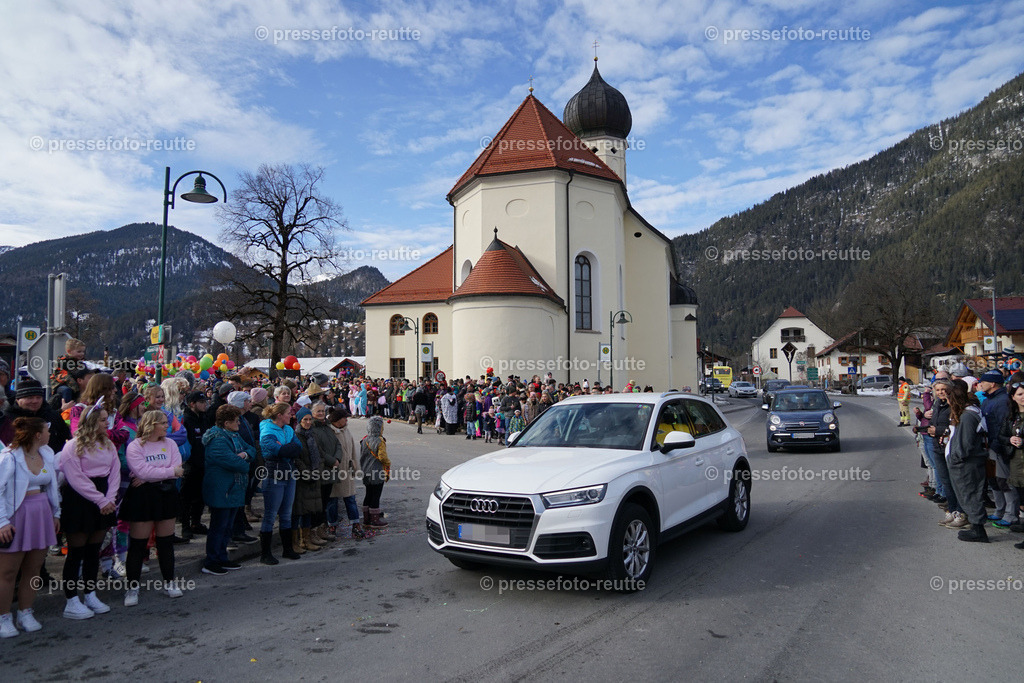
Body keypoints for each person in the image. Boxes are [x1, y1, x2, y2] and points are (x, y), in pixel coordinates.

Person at [58, 398, 120, 620]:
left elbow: (114, 472)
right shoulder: (73, 446)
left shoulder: (108, 444)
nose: (107, 423)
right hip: (80, 500)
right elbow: (75, 478)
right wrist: (100, 500)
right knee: (76, 552)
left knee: (94, 550)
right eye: (103, 420)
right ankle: (71, 600)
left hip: (104, 497)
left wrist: (109, 498)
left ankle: (90, 593)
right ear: (92, 421)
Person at [0, 418, 61, 638]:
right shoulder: (8, 458)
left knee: (34, 569)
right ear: (37, 435)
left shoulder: (47, 454)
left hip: (41, 514)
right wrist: (2, 522)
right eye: (46, 431)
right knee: (7, 572)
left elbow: (53, 486)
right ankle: (3, 616)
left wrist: (56, 513)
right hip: (16, 517)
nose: (49, 434)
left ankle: (26, 612)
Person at [120, 410, 186, 606]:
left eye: (167, 422)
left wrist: (156, 474)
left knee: (165, 542)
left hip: (166, 494)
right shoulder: (135, 446)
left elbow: (178, 470)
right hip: (143, 497)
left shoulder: (171, 444)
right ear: (151, 425)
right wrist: (166, 472)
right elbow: (142, 471)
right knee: (138, 545)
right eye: (163, 423)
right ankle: (132, 588)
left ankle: (169, 582)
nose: (167, 426)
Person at [200, 405, 254, 575]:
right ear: (226, 422)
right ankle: (212, 561)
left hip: (233, 488)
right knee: (219, 526)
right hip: (222, 488)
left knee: (227, 526)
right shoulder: (217, 439)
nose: (239, 423)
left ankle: (222, 558)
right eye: (236, 421)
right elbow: (234, 463)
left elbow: (251, 449)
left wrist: (244, 455)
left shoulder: (233, 434)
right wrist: (244, 460)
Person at [945, 380, 990, 543]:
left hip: (967, 464)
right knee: (969, 494)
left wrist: (955, 458)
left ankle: (979, 530)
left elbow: (964, 445)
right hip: (967, 462)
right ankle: (976, 527)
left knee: (970, 493)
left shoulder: (968, 416)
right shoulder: (968, 412)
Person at [258, 402, 301, 563]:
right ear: (279, 415)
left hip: (289, 472)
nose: (292, 415)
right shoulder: (267, 430)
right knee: (270, 514)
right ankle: (265, 553)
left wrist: (287, 449)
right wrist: (288, 449)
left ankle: (287, 549)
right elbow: (279, 450)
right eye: (289, 413)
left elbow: (298, 448)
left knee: (286, 514)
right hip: (274, 473)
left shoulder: (288, 429)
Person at [976, 370, 1016, 529]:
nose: (980, 384)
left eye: (983, 381)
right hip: (989, 446)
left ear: (992, 384)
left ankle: (1010, 514)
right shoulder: (988, 399)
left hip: (997, 447)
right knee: (993, 480)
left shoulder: (1002, 401)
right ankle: (1000, 510)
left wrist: (998, 447)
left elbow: (1002, 426)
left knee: (1004, 481)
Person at [1, 379, 73, 454]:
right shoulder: (7, 419)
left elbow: (65, 438)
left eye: (38, 397)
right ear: (18, 399)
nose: (35, 401)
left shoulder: (53, 416)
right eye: (30, 398)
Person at [328, 407, 364, 539]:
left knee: (350, 499)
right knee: (332, 501)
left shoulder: (346, 430)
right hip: (334, 471)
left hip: (347, 471)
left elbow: (353, 450)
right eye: (344, 418)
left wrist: (355, 466)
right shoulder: (330, 432)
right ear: (337, 420)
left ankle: (355, 525)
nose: (347, 420)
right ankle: (332, 525)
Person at [292, 408, 326, 552]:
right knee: (299, 510)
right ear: (299, 421)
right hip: (302, 479)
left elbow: (320, 454)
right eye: (305, 419)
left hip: (314, 476)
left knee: (309, 510)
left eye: (309, 419)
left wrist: (317, 471)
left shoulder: (313, 435)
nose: (308, 422)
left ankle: (306, 539)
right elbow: (296, 459)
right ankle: (297, 541)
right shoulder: (295, 436)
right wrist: (306, 473)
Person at [180, 391, 211, 540]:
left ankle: (196, 523)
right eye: (201, 402)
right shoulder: (187, 419)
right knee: (187, 497)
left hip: (203, 462)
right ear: (192, 404)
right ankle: (185, 526)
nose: (205, 404)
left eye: (205, 402)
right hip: (190, 464)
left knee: (200, 496)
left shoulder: (203, 417)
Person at [360, 416, 390, 529]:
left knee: (368, 494)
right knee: (376, 495)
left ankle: (366, 518)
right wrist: (388, 462)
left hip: (366, 470)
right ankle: (375, 520)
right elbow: (382, 457)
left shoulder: (364, 440)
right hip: (377, 471)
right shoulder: (380, 441)